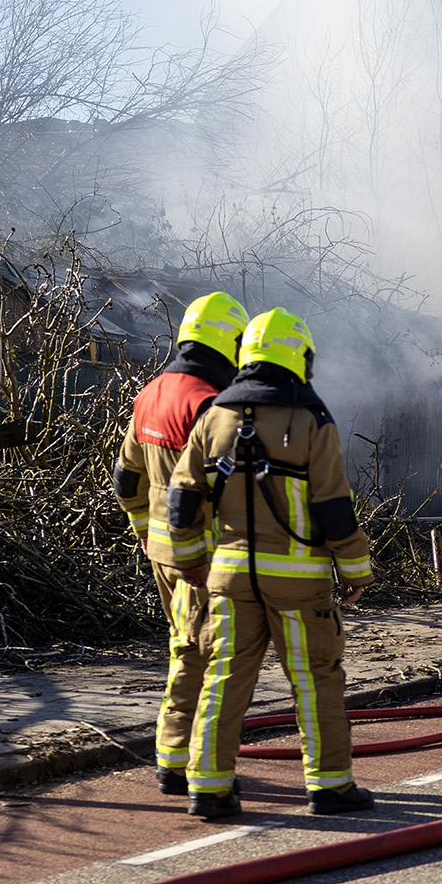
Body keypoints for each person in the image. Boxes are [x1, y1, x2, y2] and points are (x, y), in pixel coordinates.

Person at [166, 308, 375, 820]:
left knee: (224, 676)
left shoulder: (214, 415)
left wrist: (192, 560)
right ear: (299, 357)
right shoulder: (312, 420)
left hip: (230, 579)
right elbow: (332, 507)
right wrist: (356, 569)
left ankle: (208, 789)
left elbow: (181, 499)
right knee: (316, 677)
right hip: (299, 585)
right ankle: (328, 786)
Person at [112, 291, 248, 796]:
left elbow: (126, 479)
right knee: (214, 655)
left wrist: (146, 532)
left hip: (164, 552)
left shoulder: (150, 392)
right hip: (204, 555)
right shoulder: (210, 403)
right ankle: (195, 768)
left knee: (184, 646)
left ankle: (173, 757)